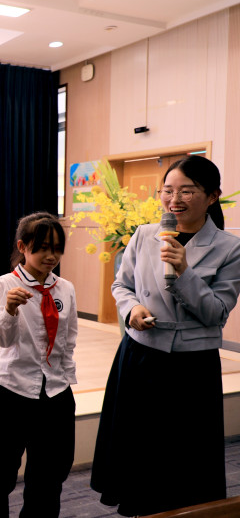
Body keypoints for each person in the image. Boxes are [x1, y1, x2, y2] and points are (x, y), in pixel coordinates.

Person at [91, 155, 240, 516]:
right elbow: (122, 284)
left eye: (187, 190)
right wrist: (131, 311)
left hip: (191, 366)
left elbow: (216, 313)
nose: (174, 199)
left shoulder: (229, 248)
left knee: (184, 456)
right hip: (140, 356)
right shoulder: (144, 234)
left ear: (212, 196)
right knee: (138, 450)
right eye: (168, 190)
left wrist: (183, 269)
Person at [0, 212, 78, 518]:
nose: (51, 256)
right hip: (15, 391)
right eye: (42, 248)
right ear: (22, 246)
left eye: (57, 248)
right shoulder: (6, 284)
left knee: (50, 476)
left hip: (56, 392)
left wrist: (64, 378)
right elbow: (2, 340)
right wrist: (9, 309)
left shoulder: (65, 288)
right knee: (1, 474)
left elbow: (69, 338)